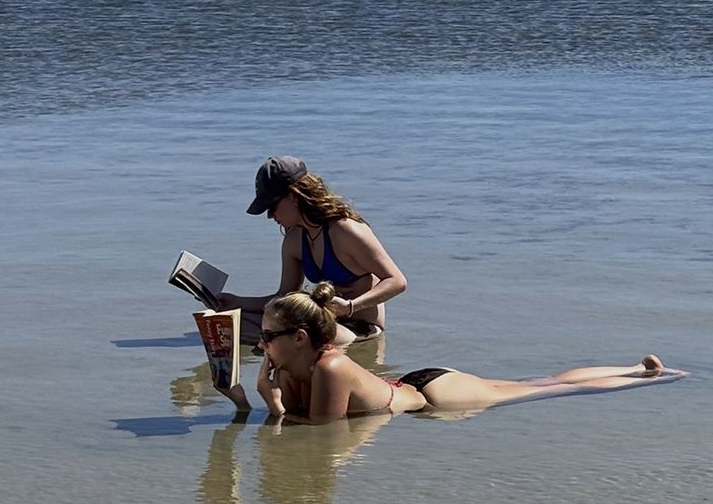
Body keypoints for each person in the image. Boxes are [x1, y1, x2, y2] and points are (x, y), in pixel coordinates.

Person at [219, 284, 680, 422]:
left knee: (545, 389)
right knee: (543, 379)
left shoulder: (332, 366)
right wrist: (244, 403)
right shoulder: (291, 364)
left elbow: (322, 430)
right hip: (413, 386)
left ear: (300, 338)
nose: (262, 342)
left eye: (271, 335)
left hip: (436, 397)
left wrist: (271, 406)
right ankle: (636, 368)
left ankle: (647, 375)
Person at [217, 156, 408, 344]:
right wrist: (238, 302)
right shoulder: (294, 240)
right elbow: (283, 297)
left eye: (272, 206)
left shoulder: (345, 230)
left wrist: (350, 307)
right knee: (229, 323)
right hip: (319, 321)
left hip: (358, 327)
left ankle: (275, 347)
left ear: (293, 196)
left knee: (287, 335)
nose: (270, 216)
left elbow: (397, 281)